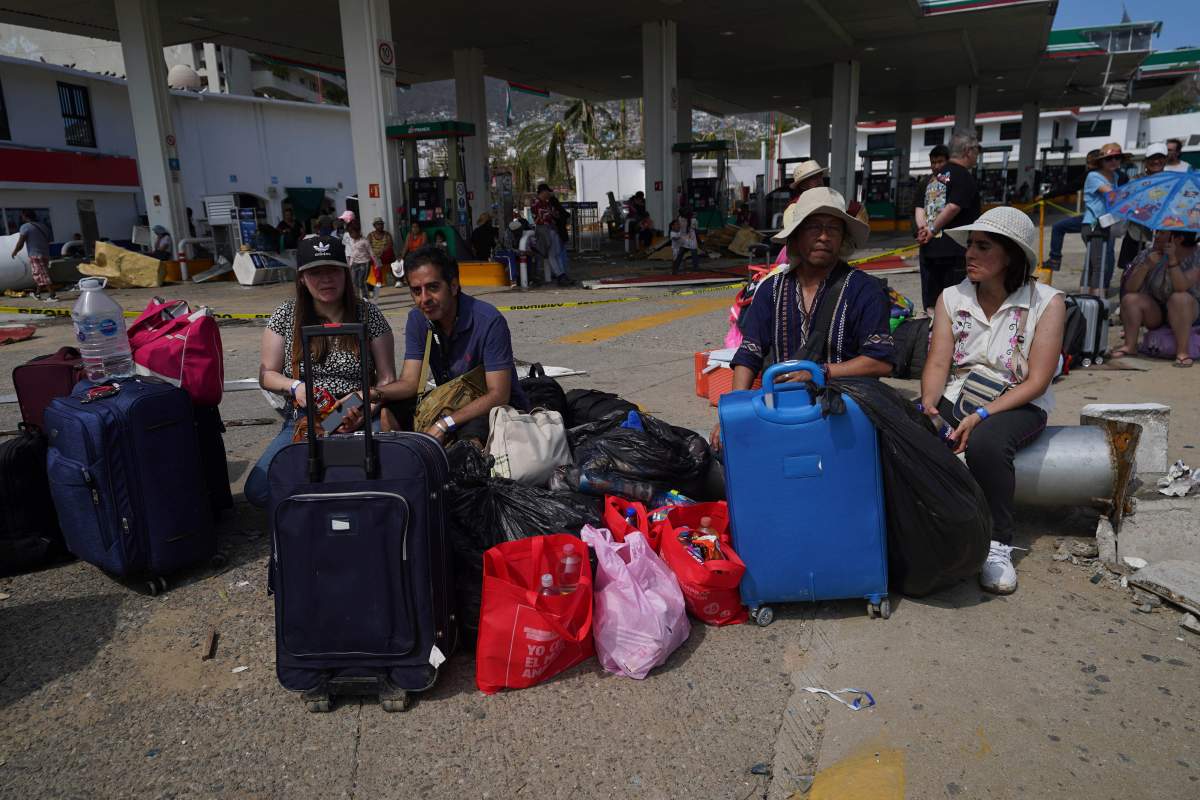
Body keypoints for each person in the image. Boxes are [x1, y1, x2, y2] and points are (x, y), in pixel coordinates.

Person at [920, 206, 1065, 594]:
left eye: (983, 246)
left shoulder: (1047, 302)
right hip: (959, 392)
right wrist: (930, 405)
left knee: (986, 442)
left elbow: (1037, 380)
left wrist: (982, 414)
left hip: (1018, 402)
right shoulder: (951, 298)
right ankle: (928, 533)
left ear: (1011, 256)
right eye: (969, 245)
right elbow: (938, 361)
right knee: (912, 430)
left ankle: (998, 544)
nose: (970, 254)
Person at [709, 187, 895, 451]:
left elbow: (881, 361)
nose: (823, 236)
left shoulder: (865, 289)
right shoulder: (770, 290)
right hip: (783, 410)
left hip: (846, 413)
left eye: (833, 228)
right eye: (813, 227)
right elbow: (749, 354)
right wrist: (733, 414)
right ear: (795, 238)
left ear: (843, 239)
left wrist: (822, 371)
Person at [246, 235, 396, 508]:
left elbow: (387, 378)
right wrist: (296, 387)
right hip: (308, 417)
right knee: (259, 489)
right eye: (316, 273)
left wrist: (364, 409)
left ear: (345, 273)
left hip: (359, 412)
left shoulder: (368, 314)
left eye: (332, 271)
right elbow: (267, 374)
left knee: (382, 477)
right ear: (302, 278)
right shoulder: (286, 315)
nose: (326, 279)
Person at [374, 246, 529, 444]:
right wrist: (373, 394)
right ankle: (409, 467)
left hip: (493, 408)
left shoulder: (488, 321)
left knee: (470, 437)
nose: (424, 299)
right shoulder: (417, 319)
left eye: (433, 287)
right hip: (450, 402)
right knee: (389, 413)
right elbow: (411, 383)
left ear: (454, 286)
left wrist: (444, 424)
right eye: (416, 291)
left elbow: (499, 395)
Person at [916, 133, 982, 314]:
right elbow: (953, 207)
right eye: (977, 150)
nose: (977, 155)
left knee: (932, 302)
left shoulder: (933, 178)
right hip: (954, 250)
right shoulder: (963, 176)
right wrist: (931, 229)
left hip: (929, 249)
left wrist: (924, 230)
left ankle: (932, 335)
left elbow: (919, 208)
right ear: (968, 151)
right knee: (956, 304)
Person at [1114, 230, 1200, 367]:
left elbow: (1181, 287)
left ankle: (1182, 352)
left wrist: (1172, 261)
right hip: (1157, 310)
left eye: (1162, 233)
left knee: (1179, 298)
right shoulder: (1148, 254)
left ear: (1178, 239)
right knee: (1130, 299)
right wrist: (1146, 266)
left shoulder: (1196, 256)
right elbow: (1130, 288)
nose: (1156, 236)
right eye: (1157, 232)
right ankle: (1130, 346)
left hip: (1189, 312)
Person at [1116, 143, 1168, 274]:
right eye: (1152, 158)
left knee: (1158, 271)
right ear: (1145, 161)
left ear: (1165, 160)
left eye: (1160, 157)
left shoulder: (1170, 179)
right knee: (1130, 270)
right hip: (1137, 233)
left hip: (1162, 234)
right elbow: (1127, 202)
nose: (1156, 161)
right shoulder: (1136, 179)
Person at [1080, 142, 1122, 297]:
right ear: (1101, 161)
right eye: (1109, 158)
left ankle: (1088, 301)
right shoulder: (1094, 176)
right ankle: (1096, 301)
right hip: (1093, 225)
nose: (1114, 161)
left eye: (1117, 158)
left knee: (1093, 264)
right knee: (1099, 265)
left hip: (1107, 224)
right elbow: (1112, 194)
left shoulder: (1115, 176)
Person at [913, 144, 951, 312]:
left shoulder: (953, 181)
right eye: (933, 162)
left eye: (940, 162)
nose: (936, 166)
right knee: (929, 287)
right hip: (928, 244)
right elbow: (919, 207)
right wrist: (921, 228)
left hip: (948, 244)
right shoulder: (925, 182)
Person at [11, 210, 57, 301]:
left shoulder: (25, 227)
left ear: (25, 216)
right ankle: (37, 293)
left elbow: (21, 242)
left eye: (22, 216)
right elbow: (49, 240)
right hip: (45, 253)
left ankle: (53, 295)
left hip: (35, 254)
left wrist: (15, 251)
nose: (21, 218)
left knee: (43, 274)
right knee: (39, 273)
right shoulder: (43, 226)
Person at [533, 183, 569, 286]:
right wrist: (552, 214)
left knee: (555, 254)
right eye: (548, 191)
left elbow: (555, 215)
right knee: (551, 254)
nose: (549, 193)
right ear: (543, 192)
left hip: (552, 229)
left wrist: (552, 214)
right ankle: (560, 276)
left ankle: (562, 275)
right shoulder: (537, 203)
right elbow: (546, 216)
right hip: (545, 230)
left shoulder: (546, 203)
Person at [344, 219, 374, 299]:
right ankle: (356, 298)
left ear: (358, 231)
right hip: (355, 263)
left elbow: (371, 252)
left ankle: (365, 298)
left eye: (352, 233)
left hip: (364, 263)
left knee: (361, 282)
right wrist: (350, 264)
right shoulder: (352, 241)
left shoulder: (364, 241)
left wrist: (376, 262)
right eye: (349, 233)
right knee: (354, 282)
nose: (351, 235)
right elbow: (353, 254)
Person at [670, 206, 701, 274]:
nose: (681, 215)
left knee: (690, 254)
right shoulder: (681, 219)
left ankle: (695, 269)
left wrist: (699, 241)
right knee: (682, 254)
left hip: (690, 238)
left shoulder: (692, 220)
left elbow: (696, 231)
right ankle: (676, 269)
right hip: (685, 238)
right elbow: (696, 231)